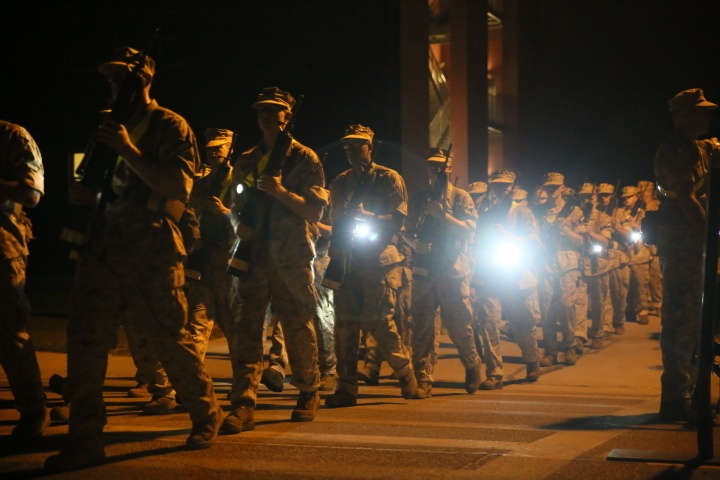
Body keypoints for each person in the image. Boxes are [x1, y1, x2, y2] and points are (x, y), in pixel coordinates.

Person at [44, 46, 222, 472]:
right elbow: (93, 179)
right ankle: (85, 439)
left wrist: (127, 148)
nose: (114, 84)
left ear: (144, 80)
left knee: (170, 339)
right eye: (109, 78)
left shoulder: (168, 125)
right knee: (85, 343)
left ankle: (204, 412)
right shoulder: (107, 126)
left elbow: (176, 186)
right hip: (102, 249)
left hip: (152, 250)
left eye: (122, 77)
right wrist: (82, 195)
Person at [222, 87, 327, 433]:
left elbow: (314, 210)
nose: (267, 116)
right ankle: (244, 401)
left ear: (287, 116)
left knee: (298, 325)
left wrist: (280, 192)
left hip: (290, 256)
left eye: (274, 110)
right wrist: (239, 226)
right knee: (247, 329)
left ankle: (308, 390)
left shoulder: (305, 159)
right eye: (261, 110)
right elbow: (234, 208)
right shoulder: (247, 160)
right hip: (253, 257)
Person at [322, 124, 417, 408]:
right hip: (348, 259)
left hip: (379, 259)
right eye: (347, 146)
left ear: (369, 147)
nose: (351, 150)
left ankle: (405, 373)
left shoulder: (388, 178)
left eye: (357, 145)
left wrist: (369, 216)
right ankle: (346, 387)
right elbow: (334, 218)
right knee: (346, 326)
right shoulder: (341, 181)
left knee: (379, 322)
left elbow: (399, 218)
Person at [653, 88, 718, 423]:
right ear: (680, 116)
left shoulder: (701, 146)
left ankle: (687, 392)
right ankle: (677, 397)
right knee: (681, 317)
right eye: (699, 112)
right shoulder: (678, 149)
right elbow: (687, 199)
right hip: (683, 241)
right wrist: (712, 234)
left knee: (695, 319)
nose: (706, 117)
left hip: (692, 243)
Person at [406, 148, 480, 399]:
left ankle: (471, 365)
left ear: (449, 168)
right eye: (432, 165)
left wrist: (444, 216)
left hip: (452, 268)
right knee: (422, 326)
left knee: (460, 323)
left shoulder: (461, 197)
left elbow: (469, 231)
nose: (436, 170)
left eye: (441, 165)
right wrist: (413, 244)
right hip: (425, 267)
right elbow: (405, 229)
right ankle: (424, 377)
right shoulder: (418, 198)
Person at [0, 119, 47, 440]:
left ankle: (33, 410)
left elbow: (31, 193)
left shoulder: (11, 136)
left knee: (9, 332)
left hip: (3, 247)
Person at [537, 172, 588, 367]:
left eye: (555, 187)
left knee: (567, 305)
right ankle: (551, 351)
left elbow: (582, 241)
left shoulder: (574, 211)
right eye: (548, 187)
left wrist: (565, 231)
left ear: (562, 188)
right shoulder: (539, 212)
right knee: (547, 307)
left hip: (568, 261)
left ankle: (569, 346)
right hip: (546, 261)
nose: (552, 190)